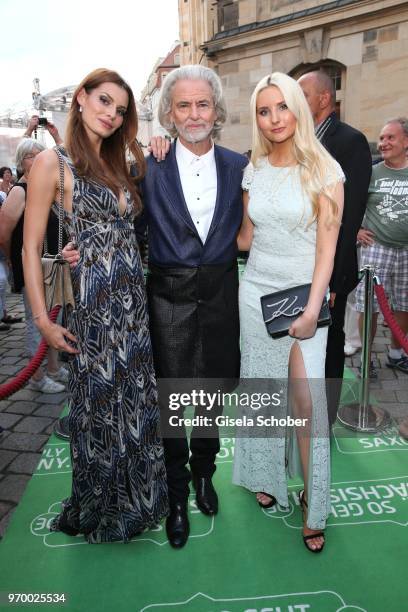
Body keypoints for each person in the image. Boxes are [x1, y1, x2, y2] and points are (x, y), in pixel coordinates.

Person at [64, 64, 247, 548]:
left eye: (202, 103)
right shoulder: (149, 165)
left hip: (222, 297)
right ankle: (176, 493)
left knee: (209, 398)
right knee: (170, 400)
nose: (193, 114)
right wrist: (80, 249)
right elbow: (123, 224)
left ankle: (206, 475)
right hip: (166, 299)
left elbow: (253, 231)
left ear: (216, 109)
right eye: (183, 105)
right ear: (168, 113)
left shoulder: (239, 166)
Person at [22, 68, 168, 543]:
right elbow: (30, 248)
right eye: (104, 101)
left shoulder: (118, 162)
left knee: (135, 400)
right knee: (101, 406)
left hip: (131, 303)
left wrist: (158, 146)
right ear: (80, 98)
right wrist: (43, 319)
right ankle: (103, 504)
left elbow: (127, 227)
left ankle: (137, 498)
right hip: (94, 305)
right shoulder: (51, 164)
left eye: (121, 109)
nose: (111, 114)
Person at [232, 72, 344, 553]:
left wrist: (313, 308)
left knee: (305, 403)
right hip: (255, 292)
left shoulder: (326, 171)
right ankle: (265, 474)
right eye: (264, 110)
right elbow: (244, 238)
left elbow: (327, 252)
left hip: (304, 300)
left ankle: (312, 502)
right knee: (261, 393)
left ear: (298, 107)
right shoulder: (253, 168)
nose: (274, 118)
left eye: (282, 107)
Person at [297, 70, 372, 425]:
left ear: (324, 98)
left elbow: (350, 213)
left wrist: (335, 279)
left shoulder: (349, 141)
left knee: (330, 340)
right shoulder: (301, 138)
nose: (295, 103)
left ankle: (324, 416)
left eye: (302, 95)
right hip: (300, 261)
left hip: (332, 268)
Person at [0, 138, 67, 392]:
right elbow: (4, 233)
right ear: (21, 161)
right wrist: (14, 261)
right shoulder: (20, 191)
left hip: (52, 266)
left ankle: (52, 367)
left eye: (41, 153)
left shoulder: (47, 187)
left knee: (53, 317)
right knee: (36, 321)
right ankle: (37, 377)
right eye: (31, 155)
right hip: (32, 267)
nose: (37, 158)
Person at [356, 117, 408, 376]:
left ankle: (396, 353)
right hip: (376, 247)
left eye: (391, 137)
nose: (384, 143)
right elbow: (352, 202)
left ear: (406, 142)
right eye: (382, 137)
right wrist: (356, 229)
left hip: (406, 250)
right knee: (369, 305)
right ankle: (366, 360)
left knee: (404, 304)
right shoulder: (373, 172)